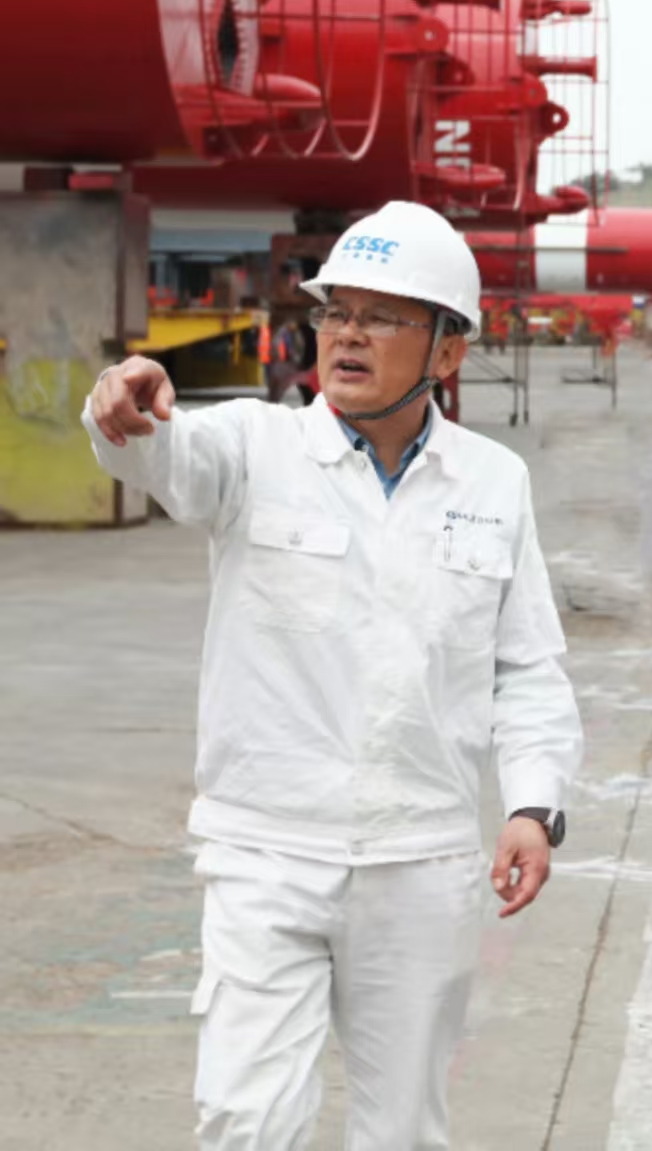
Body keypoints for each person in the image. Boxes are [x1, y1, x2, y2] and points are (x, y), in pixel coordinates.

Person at [83, 200, 583, 1150]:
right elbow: (163, 455)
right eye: (336, 312)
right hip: (267, 848)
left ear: (447, 350)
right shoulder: (253, 447)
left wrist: (533, 804)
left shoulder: (493, 483)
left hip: (420, 857)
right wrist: (124, 406)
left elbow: (526, 666)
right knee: (248, 1119)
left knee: (404, 1129)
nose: (348, 334)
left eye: (382, 316)